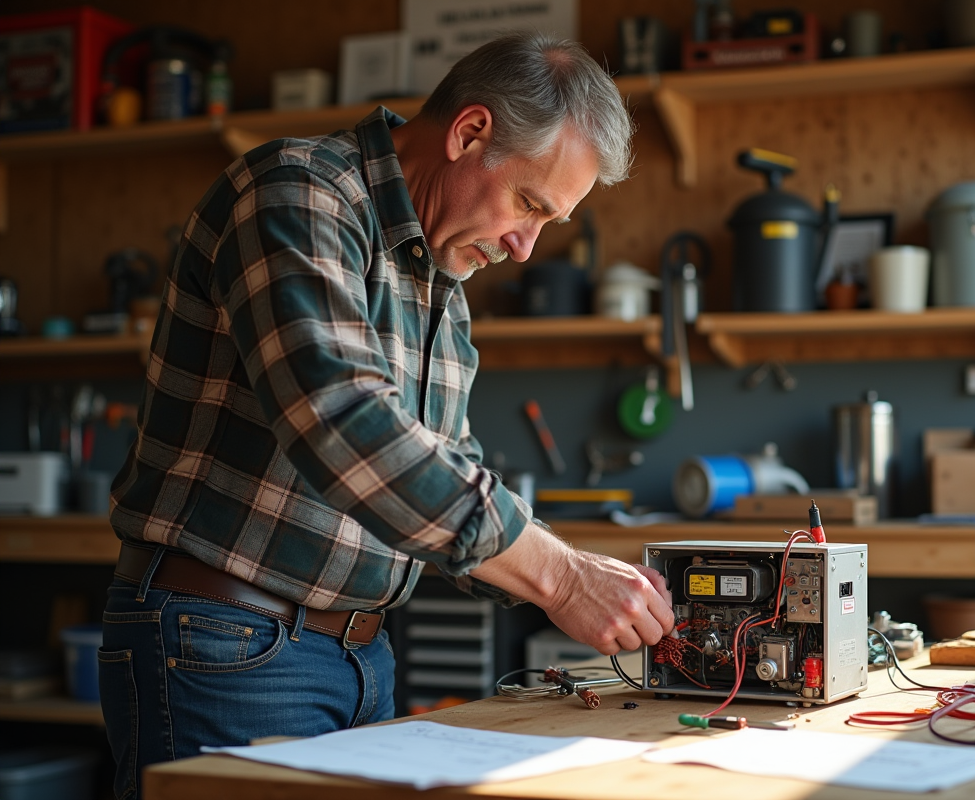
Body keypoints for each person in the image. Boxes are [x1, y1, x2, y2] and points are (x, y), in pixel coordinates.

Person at [99, 31, 673, 799]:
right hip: (226, 641)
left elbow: (446, 474)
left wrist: (576, 581)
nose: (525, 246)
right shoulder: (300, 194)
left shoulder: (439, 284)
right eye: (529, 204)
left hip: (362, 657)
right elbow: (340, 422)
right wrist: (560, 579)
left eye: (548, 222)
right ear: (470, 132)